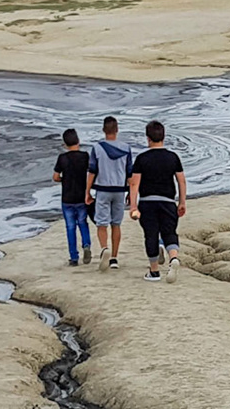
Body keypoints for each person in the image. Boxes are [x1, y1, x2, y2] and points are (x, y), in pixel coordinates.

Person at [128, 120, 188, 283]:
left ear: (148, 138)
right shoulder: (172, 157)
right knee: (169, 232)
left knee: (151, 235)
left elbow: (134, 183)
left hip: (147, 202)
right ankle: (173, 258)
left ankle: (154, 271)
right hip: (168, 201)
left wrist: (133, 206)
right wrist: (182, 202)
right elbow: (181, 181)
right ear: (164, 136)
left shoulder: (141, 158)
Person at [88, 116, 133, 272]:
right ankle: (114, 257)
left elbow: (92, 172)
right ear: (117, 130)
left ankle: (104, 248)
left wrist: (87, 191)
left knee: (101, 223)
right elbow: (130, 174)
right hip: (120, 190)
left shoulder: (97, 148)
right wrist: (131, 193)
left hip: (103, 189)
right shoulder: (126, 148)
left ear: (103, 130)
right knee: (116, 224)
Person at [52, 128, 92, 268]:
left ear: (65, 144)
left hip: (67, 198)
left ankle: (74, 257)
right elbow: (92, 173)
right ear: (78, 141)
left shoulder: (62, 158)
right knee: (83, 222)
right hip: (81, 196)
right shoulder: (85, 156)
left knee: (70, 227)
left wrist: (64, 179)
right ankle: (86, 245)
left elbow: (55, 177)